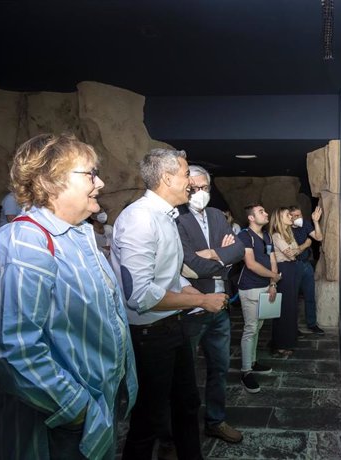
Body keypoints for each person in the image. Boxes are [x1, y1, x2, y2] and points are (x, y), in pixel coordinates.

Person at [0, 133, 137, 459]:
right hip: (61, 426)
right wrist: (77, 410)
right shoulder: (25, 241)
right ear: (51, 180)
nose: (100, 183)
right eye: (90, 174)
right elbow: (15, 350)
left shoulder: (78, 236)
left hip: (93, 412)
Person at [111, 148, 228, 460]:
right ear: (166, 178)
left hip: (171, 326)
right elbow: (142, 296)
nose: (192, 181)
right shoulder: (139, 218)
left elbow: (171, 278)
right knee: (148, 419)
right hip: (150, 336)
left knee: (187, 403)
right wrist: (202, 299)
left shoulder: (167, 217)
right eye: (187, 174)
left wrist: (194, 295)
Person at [176, 165, 245, 443]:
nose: (199, 193)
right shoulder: (176, 218)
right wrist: (222, 255)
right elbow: (187, 264)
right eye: (193, 188)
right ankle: (177, 433)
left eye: (204, 187)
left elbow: (238, 250)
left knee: (219, 369)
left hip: (221, 307)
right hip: (191, 308)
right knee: (184, 376)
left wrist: (211, 254)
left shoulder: (216, 215)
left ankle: (215, 421)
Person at [237, 203, 280, 393]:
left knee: (258, 326)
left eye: (265, 210)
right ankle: (246, 371)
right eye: (261, 211)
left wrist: (272, 283)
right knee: (251, 328)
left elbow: (272, 259)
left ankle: (252, 362)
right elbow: (251, 264)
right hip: (249, 288)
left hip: (265, 287)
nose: (266, 213)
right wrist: (274, 276)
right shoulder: (244, 236)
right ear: (251, 218)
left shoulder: (267, 235)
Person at [289, 204, 325, 334]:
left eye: (298, 215)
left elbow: (319, 237)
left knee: (310, 295)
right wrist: (306, 244)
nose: (296, 218)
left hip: (306, 264)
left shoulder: (305, 223)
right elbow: (291, 252)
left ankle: (312, 324)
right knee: (292, 298)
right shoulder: (285, 228)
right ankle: (292, 326)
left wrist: (315, 222)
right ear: (288, 217)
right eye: (293, 216)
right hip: (291, 266)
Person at [270, 207, 300, 356]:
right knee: (284, 307)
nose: (290, 216)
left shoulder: (289, 233)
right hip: (284, 271)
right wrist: (294, 251)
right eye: (287, 214)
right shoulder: (276, 235)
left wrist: (294, 251)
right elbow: (291, 254)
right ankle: (281, 344)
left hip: (291, 269)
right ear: (279, 218)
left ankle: (288, 342)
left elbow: (295, 252)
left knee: (291, 306)